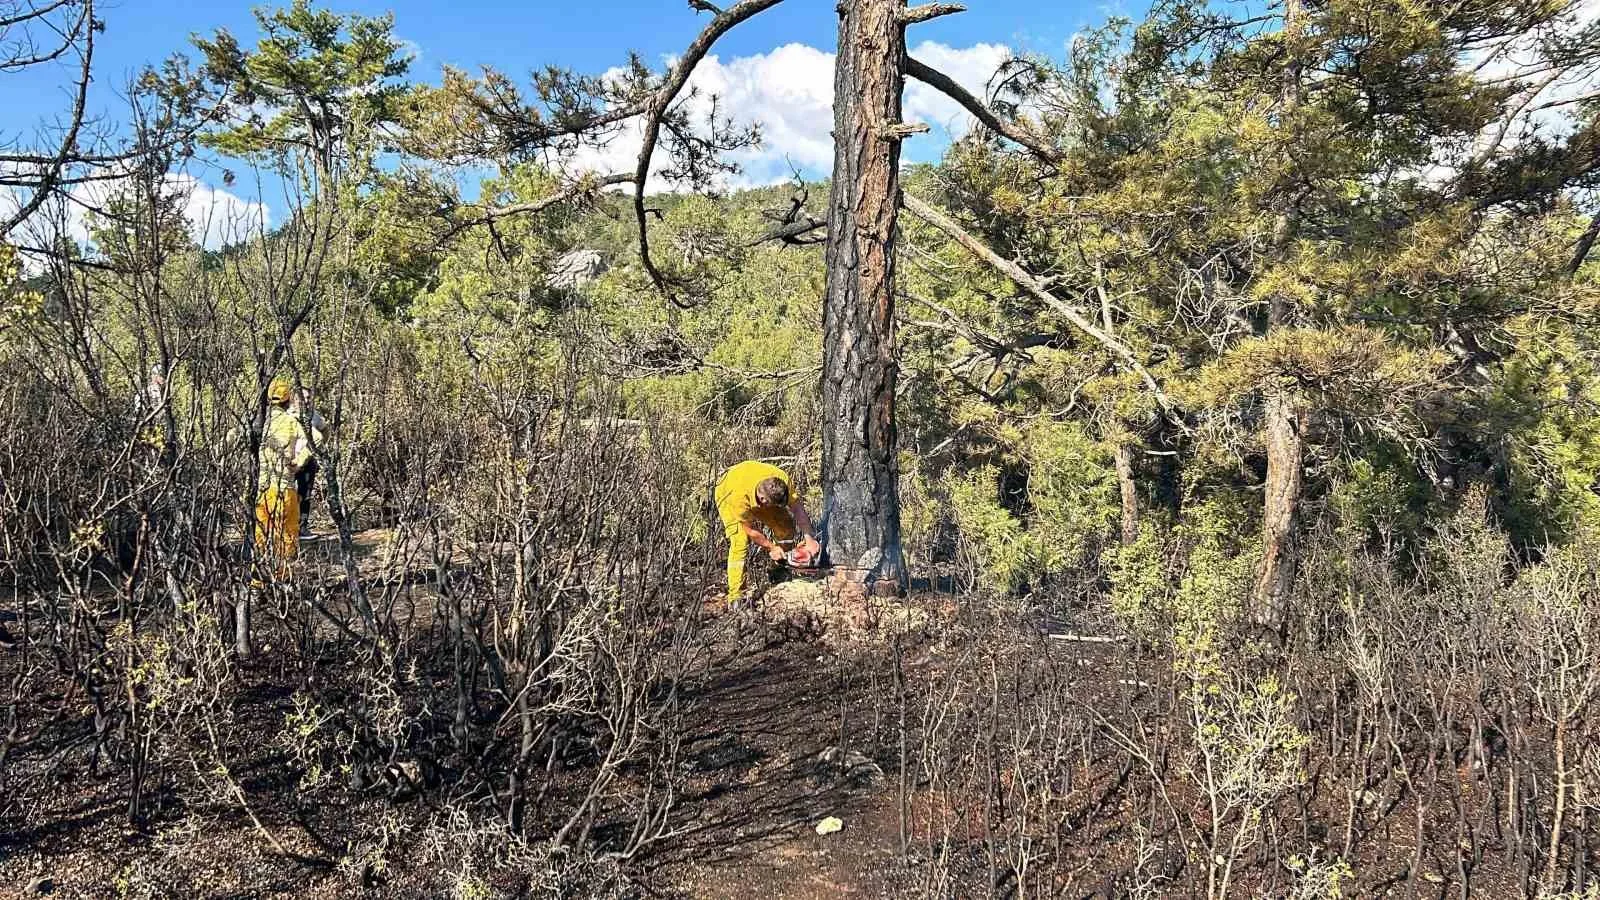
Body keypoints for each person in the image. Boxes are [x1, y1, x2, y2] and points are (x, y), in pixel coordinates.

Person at [713, 460, 821, 604]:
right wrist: (771, 547)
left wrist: (809, 539)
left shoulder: (782, 481)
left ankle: (780, 568)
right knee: (740, 541)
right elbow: (750, 530)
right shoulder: (737, 498)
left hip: (752, 487)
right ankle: (736, 596)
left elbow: (798, 509)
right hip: (728, 491)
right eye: (772, 505)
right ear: (764, 500)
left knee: (784, 523)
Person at [256, 376, 312, 581]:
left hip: (262, 490)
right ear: (288, 401)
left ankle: (258, 583)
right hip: (286, 488)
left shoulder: (259, 421)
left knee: (260, 539)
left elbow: (231, 438)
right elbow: (317, 437)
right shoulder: (291, 421)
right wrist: (299, 461)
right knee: (287, 539)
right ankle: (283, 583)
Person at [289, 387, 327, 538]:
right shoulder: (287, 415)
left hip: (308, 461)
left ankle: (302, 527)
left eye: (308, 398)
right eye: (302, 397)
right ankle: (289, 527)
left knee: (305, 494)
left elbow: (323, 431)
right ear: (294, 399)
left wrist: (317, 448)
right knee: (289, 493)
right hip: (290, 460)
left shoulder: (314, 416)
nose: (305, 401)